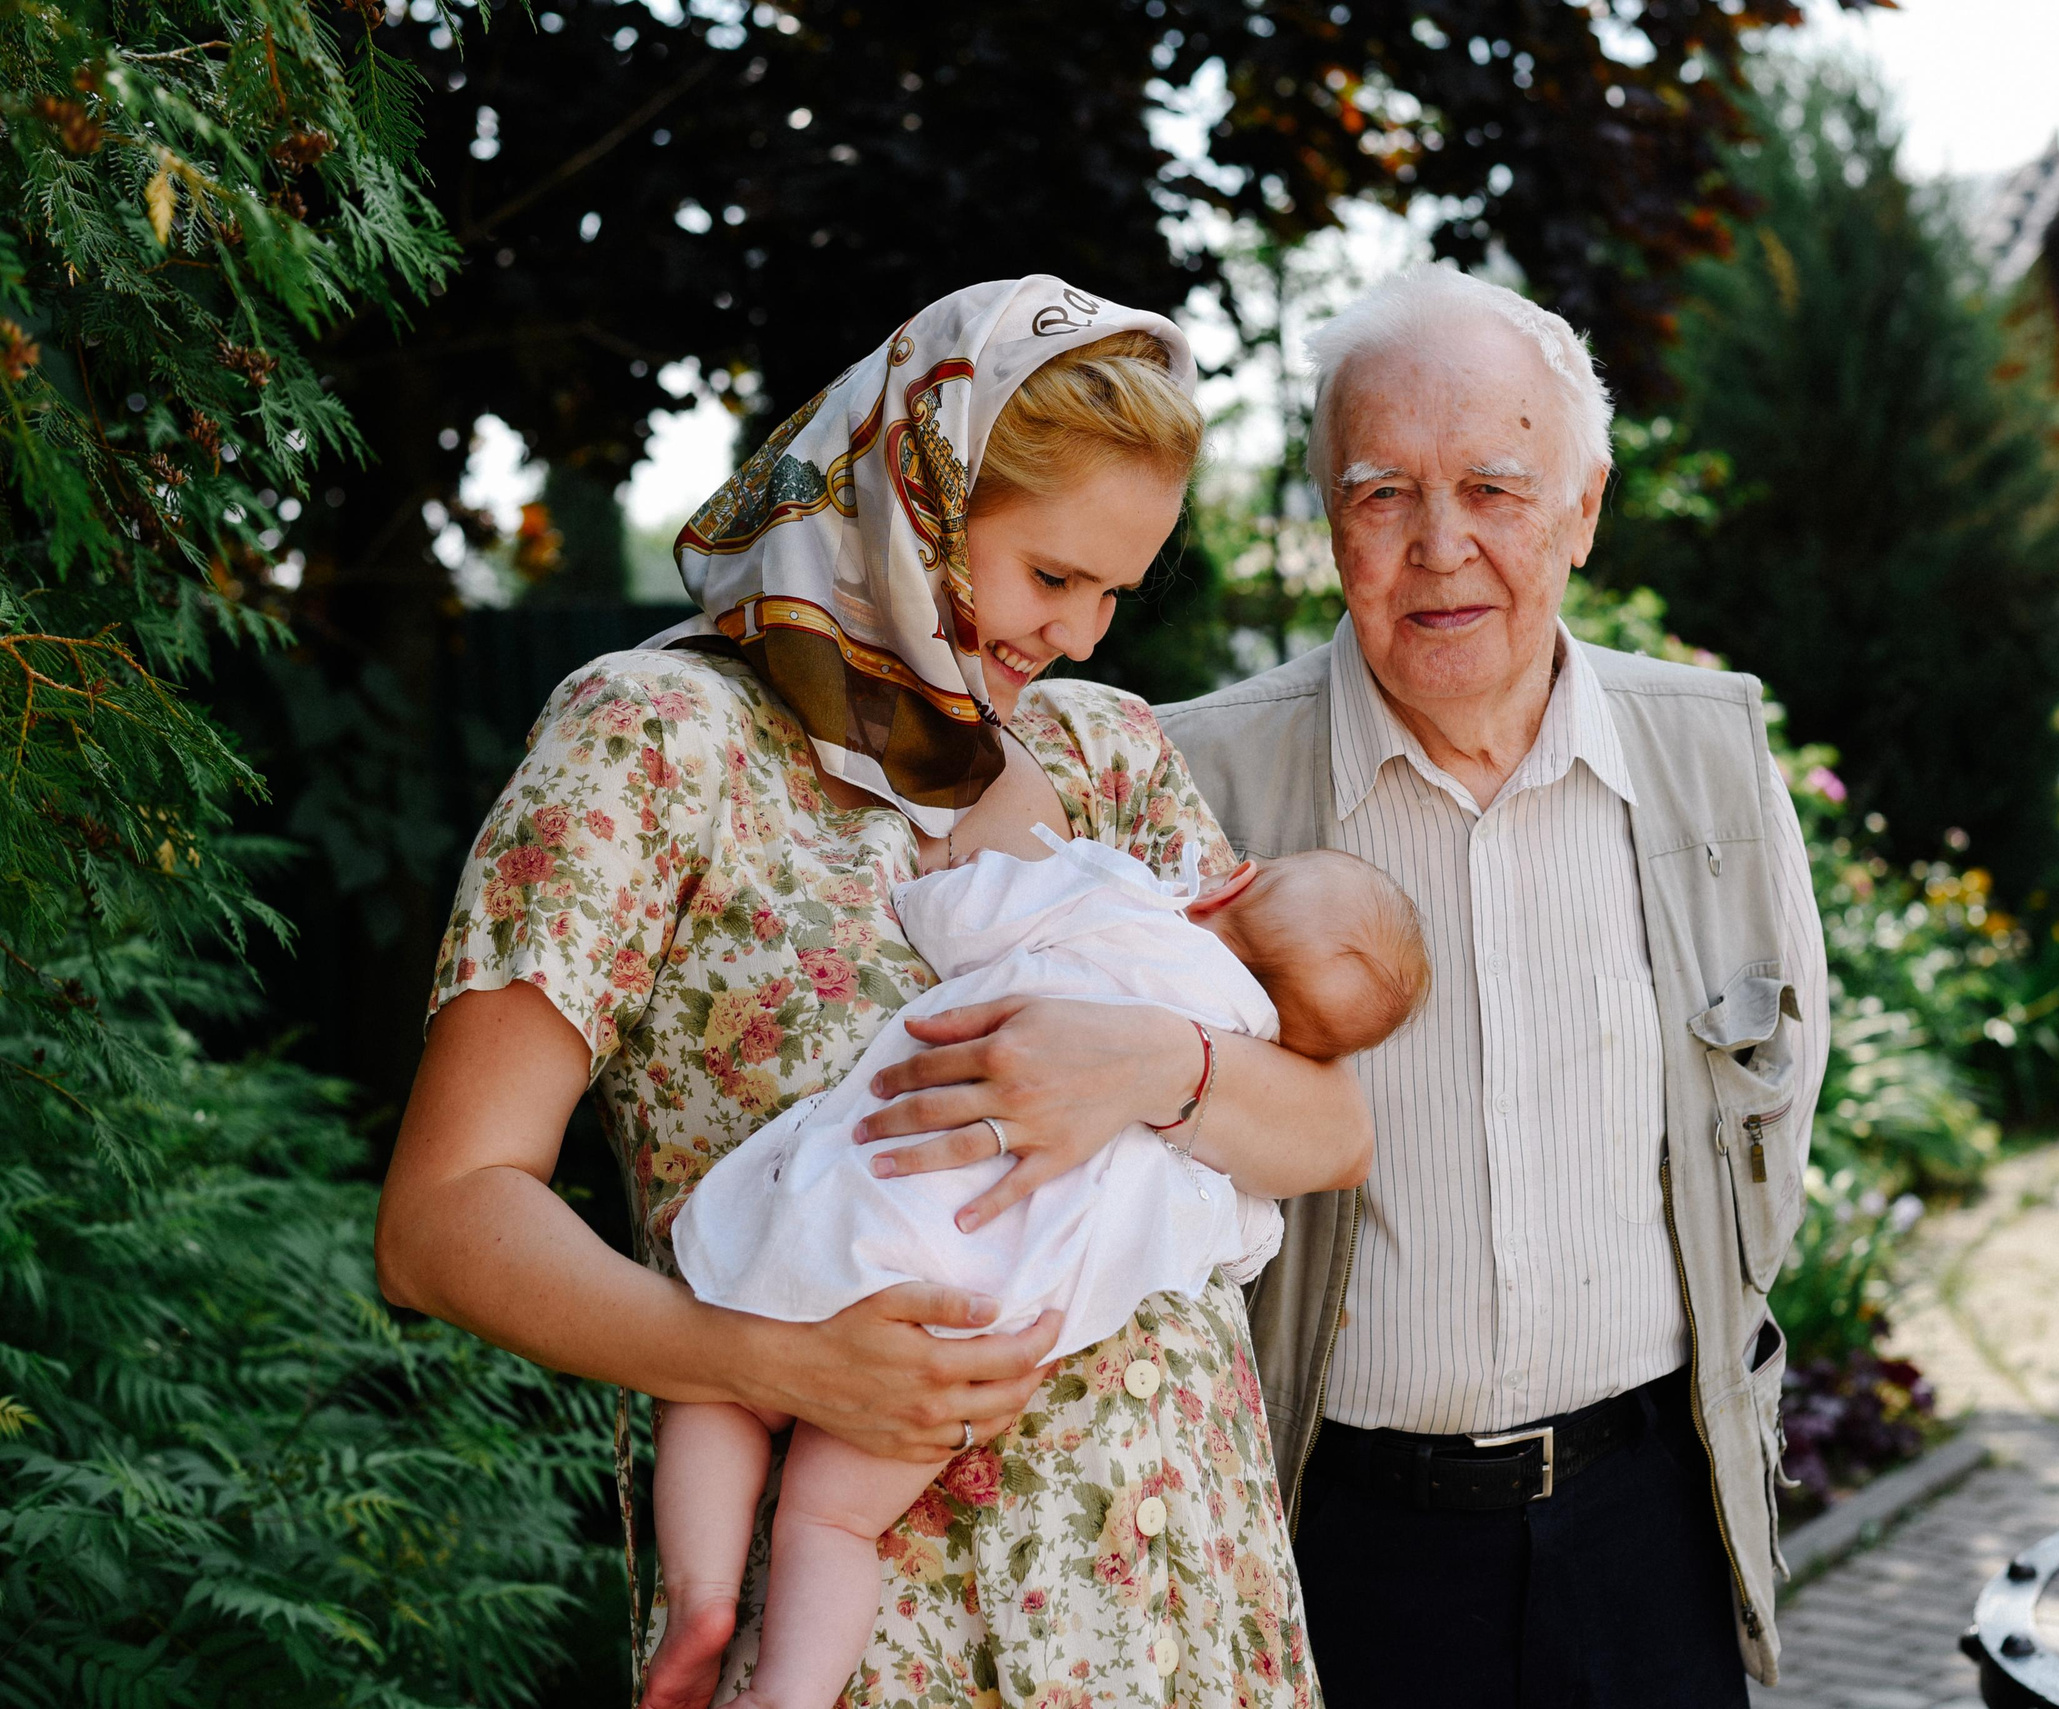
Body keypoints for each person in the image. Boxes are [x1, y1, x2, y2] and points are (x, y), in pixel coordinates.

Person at [376, 276, 1361, 1709]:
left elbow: (1330, 1130)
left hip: (1175, 1606)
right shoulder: (658, 742)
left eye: (1113, 594)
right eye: (1048, 576)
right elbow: (441, 1219)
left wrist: (1156, 1067)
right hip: (867, 1647)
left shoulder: (1107, 756)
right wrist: (772, 1359)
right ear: (924, 501)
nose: (1079, 636)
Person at [1159, 265, 1831, 1707]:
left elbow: (1785, 1084)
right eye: (1381, 493)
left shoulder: (1708, 752)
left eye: (1495, 488)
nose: (1439, 546)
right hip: (1332, 1534)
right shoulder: (1200, 777)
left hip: (1647, 1520)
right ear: (1330, 523)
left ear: (1584, 507)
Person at [653, 821, 1427, 1709]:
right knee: (832, 1520)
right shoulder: (1239, 1077)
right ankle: (784, 1696)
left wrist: (946, 877)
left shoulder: (1121, 905)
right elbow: (1244, 1231)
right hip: (973, 1320)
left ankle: (702, 1600)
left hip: (869, 1207)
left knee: (720, 1388)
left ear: (1227, 884)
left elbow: (954, 915)